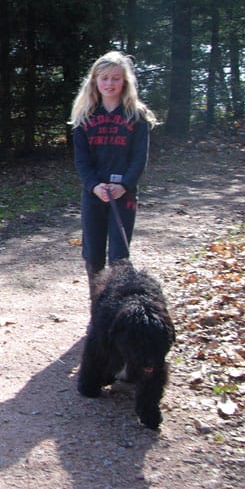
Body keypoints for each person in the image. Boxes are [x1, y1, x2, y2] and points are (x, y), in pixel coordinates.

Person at [70, 51, 158, 306]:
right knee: (93, 255)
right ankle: (98, 312)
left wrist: (124, 185)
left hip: (124, 195)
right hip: (94, 195)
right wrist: (94, 186)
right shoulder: (84, 117)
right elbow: (81, 161)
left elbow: (139, 159)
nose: (110, 83)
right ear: (95, 81)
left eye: (116, 78)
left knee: (119, 256)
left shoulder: (136, 116)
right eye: (104, 78)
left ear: (125, 82)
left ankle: (117, 307)